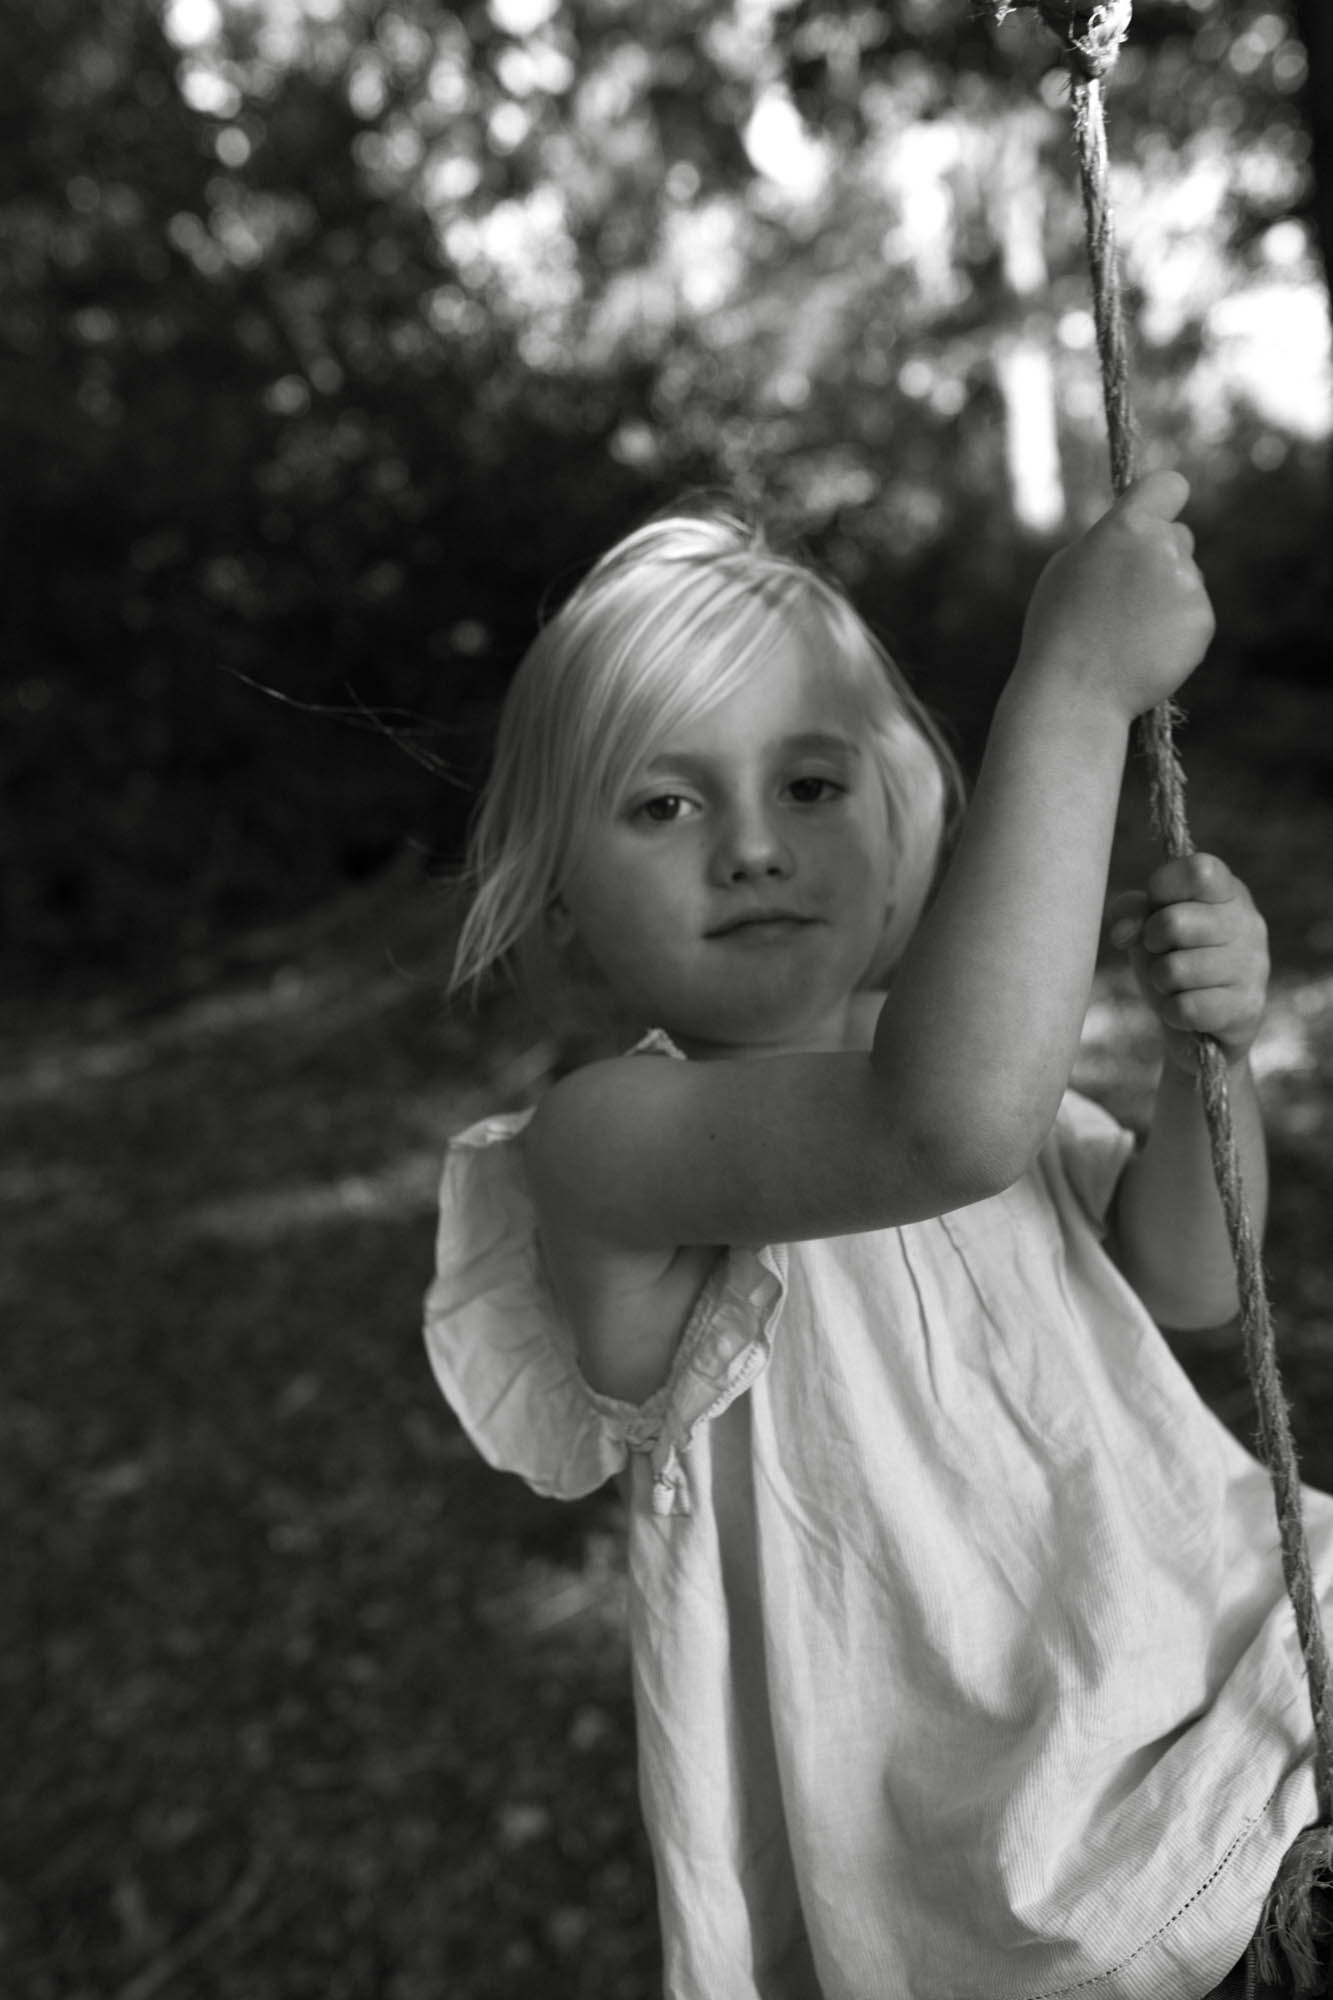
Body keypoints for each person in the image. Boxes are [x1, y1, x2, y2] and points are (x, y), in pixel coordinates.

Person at [424, 470, 1332, 1999]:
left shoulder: (980, 1075)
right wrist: (1071, 690)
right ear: (561, 903)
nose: (752, 848)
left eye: (811, 785)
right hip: (1044, 1863)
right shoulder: (605, 1147)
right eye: (663, 802)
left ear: (904, 816)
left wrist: (1204, 1059)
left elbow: (1186, 1273)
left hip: (1251, 1684)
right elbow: (934, 1128)